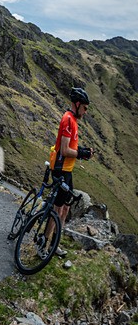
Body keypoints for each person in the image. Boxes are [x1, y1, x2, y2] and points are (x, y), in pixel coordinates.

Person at [44, 88, 94, 252]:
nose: (85, 112)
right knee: (57, 209)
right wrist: (81, 153)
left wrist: (83, 151)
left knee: (65, 207)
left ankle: (54, 244)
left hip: (68, 170)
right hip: (61, 169)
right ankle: (43, 243)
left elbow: (71, 146)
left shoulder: (73, 120)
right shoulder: (67, 120)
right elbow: (65, 151)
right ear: (78, 104)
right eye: (85, 108)